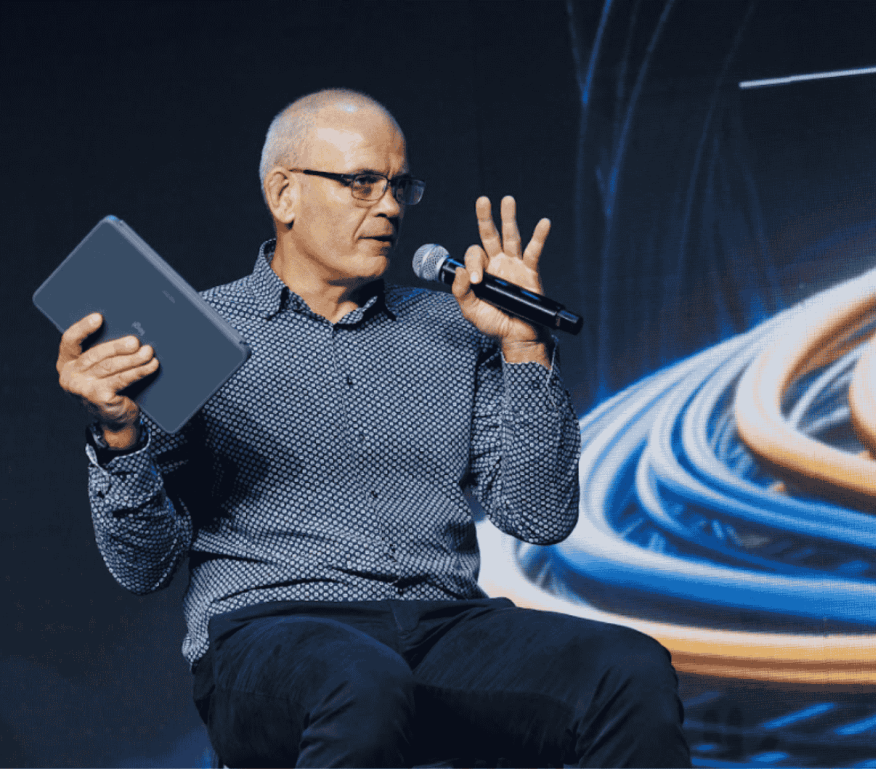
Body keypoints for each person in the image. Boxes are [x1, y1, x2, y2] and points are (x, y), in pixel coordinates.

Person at [55, 89, 691, 768]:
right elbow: (143, 567)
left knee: (628, 671)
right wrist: (119, 438)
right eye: (362, 183)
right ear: (284, 194)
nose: (389, 207)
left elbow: (539, 516)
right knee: (360, 681)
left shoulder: (453, 327)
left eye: (399, 186)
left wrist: (525, 347)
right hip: (272, 635)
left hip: (444, 629)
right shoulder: (197, 334)